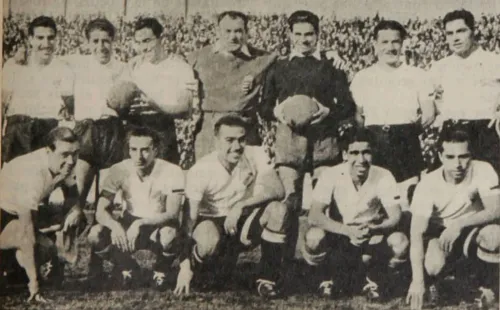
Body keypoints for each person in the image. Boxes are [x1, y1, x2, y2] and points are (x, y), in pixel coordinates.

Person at [261, 10, 356, 267]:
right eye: (299, 34)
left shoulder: (331, 67)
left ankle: (327, 271)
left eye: (309, 34)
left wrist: (328, 112)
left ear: (317, 35)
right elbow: (264, 106)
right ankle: (279, 268)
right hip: (289, 143)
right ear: (290, 35)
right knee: (287, 201)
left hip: (324, 142)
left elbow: (347, 107)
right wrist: (277, 112)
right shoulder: (279, 67)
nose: (304, 40)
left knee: (326, 204)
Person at [184, 115, 288, 298]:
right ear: (216, 141)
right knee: (210, 270)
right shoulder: (201, 169)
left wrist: (241, 205)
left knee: (278, 210)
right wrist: (184, 265)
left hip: (241, 220)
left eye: (241, 139)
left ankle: (266, 280)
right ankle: (198, 266)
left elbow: (278, 190)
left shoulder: (255, 154)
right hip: (212, 221)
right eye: (229, 140)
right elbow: (190, 218)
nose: (237, 146)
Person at [302, 127, 408, 300]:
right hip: (338, 234)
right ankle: (324, 276)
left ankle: (373, 279)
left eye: (366, 152)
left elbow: (396, 215)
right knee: (314, 238)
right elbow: (314, 215)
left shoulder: (384, 175)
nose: (361, 159)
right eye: (354, 153)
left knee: (400, 242)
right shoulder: (331, 174)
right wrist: (347, 230)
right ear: (345, 154)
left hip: (370, 234)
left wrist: (374, 228)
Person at [87, 127, 190, 293]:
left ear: (155, 150)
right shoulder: (119, 169)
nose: (138, 156)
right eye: (133, 149)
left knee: (170, 235)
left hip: (158, 224)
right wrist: (114, 226)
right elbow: (100, 210)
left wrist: (140, 223)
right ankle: (127, 266)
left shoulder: (172, 171)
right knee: (95, 234)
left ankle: (161, 269)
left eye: (145, 150)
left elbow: (172, 212)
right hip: (129, 222)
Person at [406, 129, 500, 310]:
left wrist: (459, 224)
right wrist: (417, 281)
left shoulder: (483, 169)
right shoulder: (428, 184)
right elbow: (416, 233)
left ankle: (486, 286)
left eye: (463, 157)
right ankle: (443, 283)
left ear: (471, 155)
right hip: (440, 233)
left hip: (470, 229)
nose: (458, 164)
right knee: (434, 265)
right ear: (440, 156)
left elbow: (496, 209)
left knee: (495, 235)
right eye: (450, 157)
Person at [350, 20, 436, 204]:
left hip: (406, 142)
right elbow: (358, 116)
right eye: (384, 42)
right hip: (374, 143)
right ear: (375, 45)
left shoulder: (418, 75)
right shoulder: (362, 77)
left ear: (403, 43)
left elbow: (429, 114)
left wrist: (407, 132)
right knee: (374, 199)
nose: (390, 47)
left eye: (395, 42)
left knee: (406, 199)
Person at [0, 127, 83, 303]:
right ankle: (12, 265)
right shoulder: (33, 173)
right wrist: (35, 285)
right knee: (35, 245)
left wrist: (74, 211)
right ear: (48, 151)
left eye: (75, 153)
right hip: (3, 214)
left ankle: (15, 268)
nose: (71, 160)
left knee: (46, 248)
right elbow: (26, 233)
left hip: (13, 213)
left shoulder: (65, 163)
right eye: (65, 154)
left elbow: (73, 194)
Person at [187, 11, 277, 161]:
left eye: (238, 31)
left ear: (247, 32)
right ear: (218, 31)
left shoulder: (263, 59)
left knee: (245, 179)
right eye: (227, 31)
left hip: (245, 129)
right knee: (209, 179)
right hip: (210, 130)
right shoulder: (197, 58)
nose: (233, 37)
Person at [430, 9, 500, 175]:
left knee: (491, 186)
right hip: (451, 132)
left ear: (473, 31)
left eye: (461, 31)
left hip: (484, 132)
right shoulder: (439, 67)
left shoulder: (494, 61)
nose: (455, 38)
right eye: (450, 33)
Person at [2, 16, 75, 164]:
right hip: (17, 130)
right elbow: (2, 105)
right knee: (12, 182)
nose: (46, 43)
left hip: (46, 131)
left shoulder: (64, 69)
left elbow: (69, 111)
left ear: (57, 39)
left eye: (50, 38)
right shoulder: (14, 65)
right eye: (40, 38)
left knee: (43, 183)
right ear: (30, 39)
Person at [128, 17, 197, 166]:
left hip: (162, 128)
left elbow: (185, 108)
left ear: (162, 39)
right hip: (134, 127)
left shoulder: (179, 67)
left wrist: (157, 106)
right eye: (138, 43)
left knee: (164, 181)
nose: (143, 48)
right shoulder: (133, 66)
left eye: (147, 41)